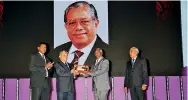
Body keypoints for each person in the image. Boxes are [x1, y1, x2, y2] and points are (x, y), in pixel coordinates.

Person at [49, 1, 109, 67]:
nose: (78, 27)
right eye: (72, 23)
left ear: (96, 23)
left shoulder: (110, 52)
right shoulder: (55, 53)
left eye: (85, 21)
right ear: (66, 27)